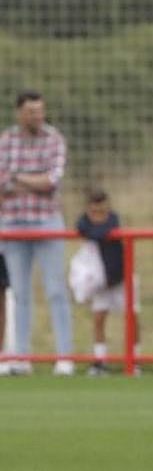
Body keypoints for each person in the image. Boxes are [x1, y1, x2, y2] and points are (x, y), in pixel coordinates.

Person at [0, 91, 72, 375]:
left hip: (47, 221)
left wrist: (17, 177)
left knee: (56, 290)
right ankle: (21, 357)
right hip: (13, 224)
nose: (37, 117)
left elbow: (52, 181)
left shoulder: (54, 139)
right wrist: (30, 180)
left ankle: (65, 357)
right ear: (19, 113)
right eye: (31, 111)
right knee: (20, 293)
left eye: (40, 111)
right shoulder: (6, 141)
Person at [76, 188, 139, 375]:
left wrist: (94, 231)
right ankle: (99, 360)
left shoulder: (114, 219)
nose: (97, 216)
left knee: (132, 317)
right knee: (98, 318)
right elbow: (83, 228)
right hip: (100, 279)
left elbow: (100, 232)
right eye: (93, 212)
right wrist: (94, 230)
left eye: (101, 212)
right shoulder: (83, 221)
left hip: (121, 276)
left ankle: (134, 360)